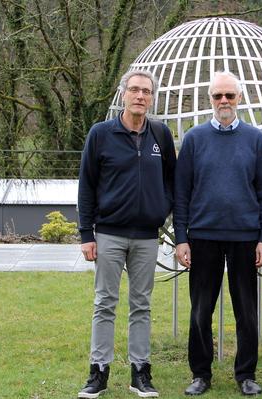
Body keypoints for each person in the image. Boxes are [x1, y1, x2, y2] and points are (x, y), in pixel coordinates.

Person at [173, 71, 262, 396]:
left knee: (246, 311)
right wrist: (181, 237)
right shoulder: (193, 139)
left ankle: (246, 374)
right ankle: (200, 374)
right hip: (203, 236)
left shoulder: (255, 139)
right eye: (218, 96)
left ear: (239, 98)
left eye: (229, 95)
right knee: (201, 310)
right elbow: (181, 193)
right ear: (210, 99)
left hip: (245, 237)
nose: (224, 101)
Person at [77, 70, 176, 399]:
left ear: (152, 97)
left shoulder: (161, 135)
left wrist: (160, 210)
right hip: (108, 234)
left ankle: (140, 373)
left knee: (141, 305)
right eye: (134, 90)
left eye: (146, 91)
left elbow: (171, 183)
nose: (140, 96)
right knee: (104, 303)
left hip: (147, 236)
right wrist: (85, 234)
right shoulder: (100, 134)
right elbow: (87, 187)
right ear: (123, 94)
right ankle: (99, 372)